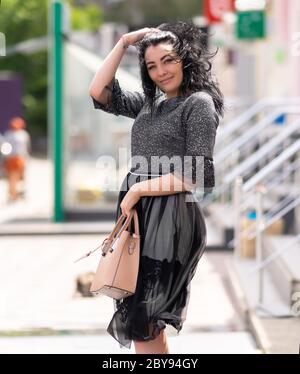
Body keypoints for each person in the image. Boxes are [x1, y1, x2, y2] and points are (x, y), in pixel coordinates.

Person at [89, 21, 224, 354]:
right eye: (151, 66)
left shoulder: (198, 104)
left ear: (184, 59)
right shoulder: (150, 106)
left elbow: (196, 172)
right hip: (143, 219)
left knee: (144, 320)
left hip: (172, 219)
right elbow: (98, 90)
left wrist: (138, 190)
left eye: (168, 60)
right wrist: (123, 42)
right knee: (142, 322)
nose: (161, 71)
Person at [3, 117, 31, 201]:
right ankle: (13, 194)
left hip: (19, 158)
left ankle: (15, 193)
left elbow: (26, 148)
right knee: (13, 177)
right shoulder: (11, 134)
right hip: (13, 158)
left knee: (19, 177)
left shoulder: (22, 134)